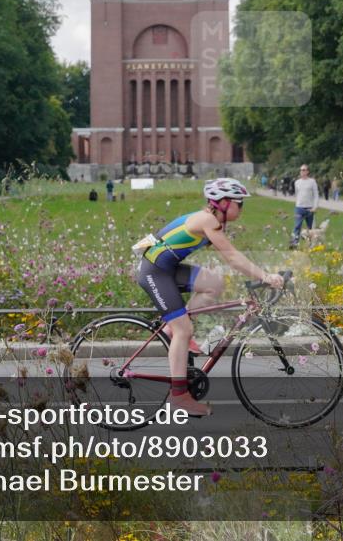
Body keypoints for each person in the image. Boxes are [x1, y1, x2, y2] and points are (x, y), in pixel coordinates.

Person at [137, 178, 284, 416]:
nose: (242, 209)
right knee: (184, 330)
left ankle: (173, 331)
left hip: (166, 268)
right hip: (155, 272)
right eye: (240, 204)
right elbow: (233, 258)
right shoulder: (208, 221)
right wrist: (265, 276)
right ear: (224, 203)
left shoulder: (210, 220)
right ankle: (179, 397)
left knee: (214, 283)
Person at [291, 164, 319, 248]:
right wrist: (297, 204)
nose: (302, 171)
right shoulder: (297, 182)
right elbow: (297, 194)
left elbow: (316, 195)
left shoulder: (312, 181)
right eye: (301, 170)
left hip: (309, 208)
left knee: (310, 229)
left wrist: (315, 207)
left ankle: (309, 244)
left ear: (307, 171)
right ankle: (294, 243)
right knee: (297, 226)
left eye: (304, 170)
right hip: (299, 208)